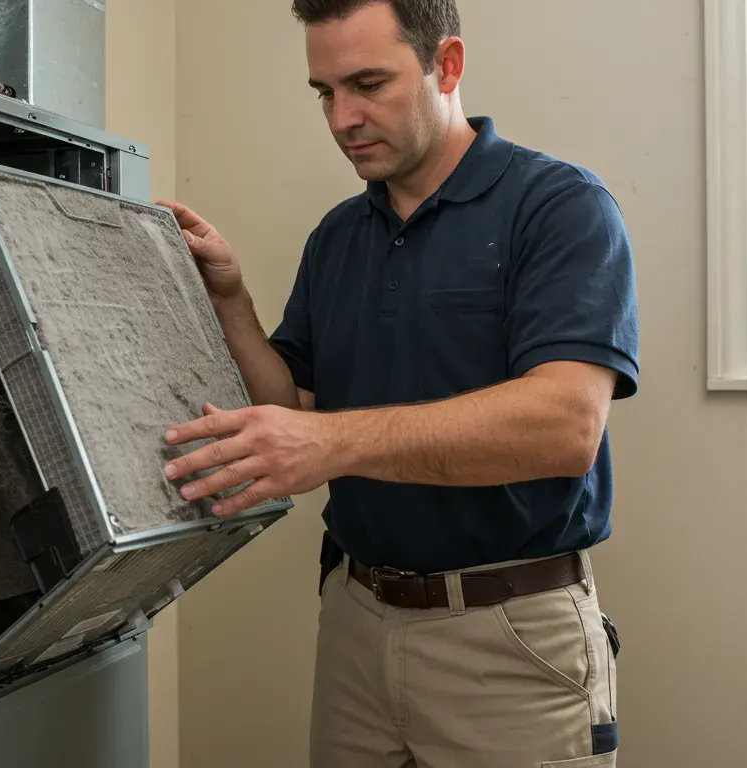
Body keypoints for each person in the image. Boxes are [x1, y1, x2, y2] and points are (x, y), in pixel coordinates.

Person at [157, 0, 638, 765]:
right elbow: (295, 410)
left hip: (508, 634)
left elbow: (565, 427)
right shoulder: (339, 236)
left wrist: (329, 443)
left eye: (368, 84)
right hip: (355, 621)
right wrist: (232, 304)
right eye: (324, 92)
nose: (343, 117)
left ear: (446, 65)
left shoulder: (560, 208)